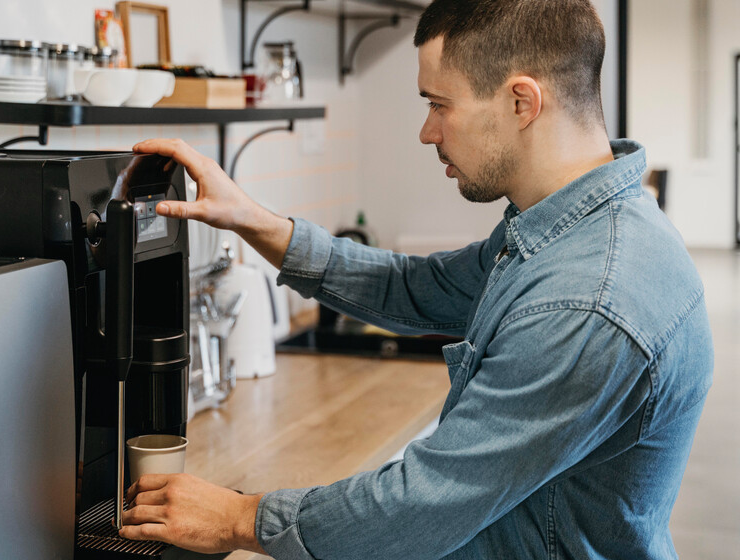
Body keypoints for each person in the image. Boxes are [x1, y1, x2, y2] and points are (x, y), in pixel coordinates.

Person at [118, 0, 714, 557]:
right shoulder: (573, 230)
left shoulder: (587, 300)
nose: (427, 132)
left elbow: (419, 508)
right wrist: (252, 220)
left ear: (521, 102)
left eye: (439, 104)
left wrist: (239, 518)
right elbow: (415, 288)